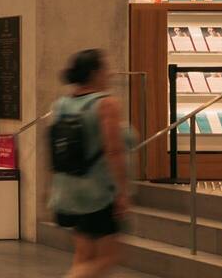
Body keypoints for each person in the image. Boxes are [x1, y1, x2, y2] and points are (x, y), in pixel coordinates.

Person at [50, 50, 134, 278]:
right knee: (109, 256)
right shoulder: (106, 104)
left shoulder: (62, 104)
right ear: (96, 73)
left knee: (84, 256)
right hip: (98, 192)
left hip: (68, 189)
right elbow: (114, 151)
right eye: (105, 68)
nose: (109, 73)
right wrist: (122, 191)